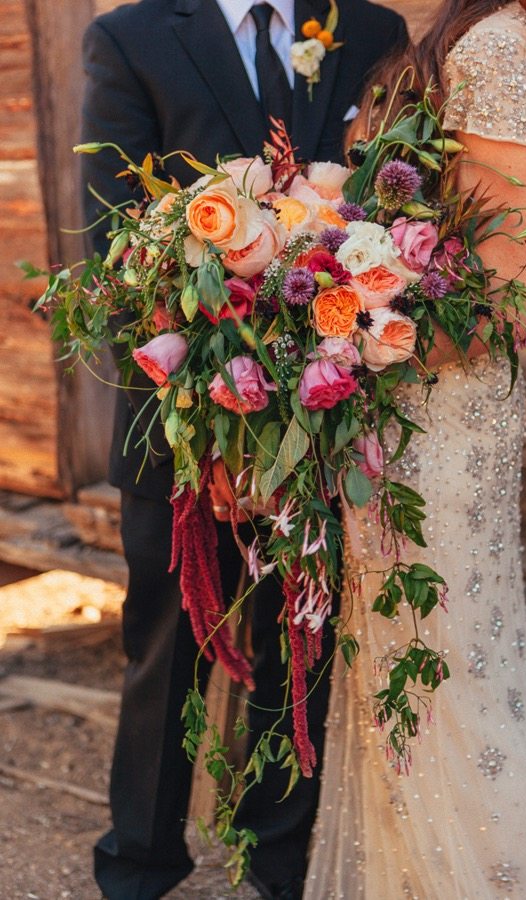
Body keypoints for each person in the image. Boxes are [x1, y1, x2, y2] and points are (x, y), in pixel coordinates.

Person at [79, 1, 408, 898]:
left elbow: (382, 205)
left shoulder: (367, 30)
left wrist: (319, 402)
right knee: (165, 647)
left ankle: (279, 861)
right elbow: (116, 256)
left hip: (321, 421)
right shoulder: (132, 39)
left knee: (297, 649)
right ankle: (138, 864)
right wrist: (206, 438)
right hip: (182, 434)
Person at [305, 1, 526, 897]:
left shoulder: (511, 43)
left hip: (433, 418)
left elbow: (509, 292)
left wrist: (348, 338)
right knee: (442, 678)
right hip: (437, 413)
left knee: (444, 687)